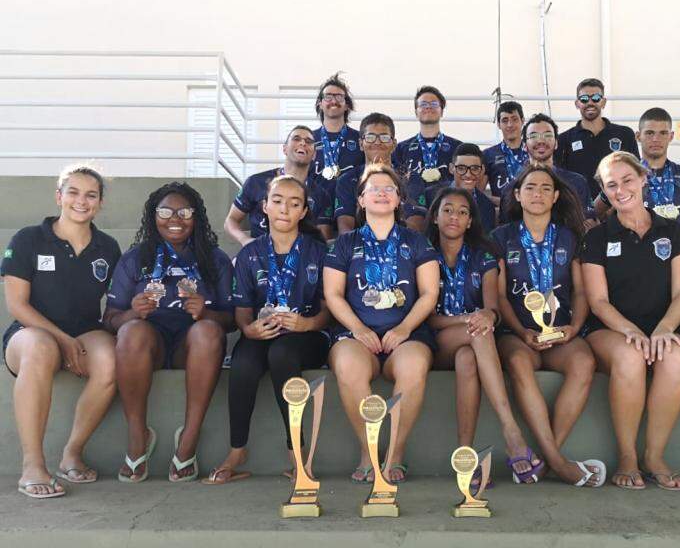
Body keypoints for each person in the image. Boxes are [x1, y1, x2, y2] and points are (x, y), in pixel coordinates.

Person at [2, 164, 121, 499]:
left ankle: (71, 453)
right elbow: (17, 305)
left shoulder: (108, 247)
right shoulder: (28, 239)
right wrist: (63, 340)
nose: (81, 201)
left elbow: (114, 303)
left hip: (85, 330)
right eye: (73, 192)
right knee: (41, 349)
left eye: (90, 195)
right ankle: (32, 466)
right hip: (29, 332)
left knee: (111, 359)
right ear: (59, 196)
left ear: (100, 203)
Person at [105, 182, 234, 483]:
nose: (174, 219)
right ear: (153, 216)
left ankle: (189, 438)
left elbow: (231, 321)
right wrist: (132, 313)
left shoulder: (215, 260)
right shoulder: (135, 258)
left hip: (192, 350)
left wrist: (206, 313)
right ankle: (138, 436)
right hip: (148, 347)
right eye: (165, 211)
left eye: (184, 212)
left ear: (197, 217)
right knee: (131, 331)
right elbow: (110, 319)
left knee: (208, 331)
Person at [204, 176, 331, 484]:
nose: (284, 209)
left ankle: (296, 451)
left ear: (303, 211)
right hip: (263, 333)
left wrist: (307, 323)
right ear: (264, 207)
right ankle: (237, 450)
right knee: (244, 362)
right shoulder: (249, 254)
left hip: (308, 335)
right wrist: (249, 329)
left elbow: (330, 309)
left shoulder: (319, 252)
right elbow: (242, 313)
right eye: (277, 201)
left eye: (294, 203)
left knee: (282, 354)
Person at [580, 151, 680, 491]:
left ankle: (654, 456)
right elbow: (598, 301)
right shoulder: (597, 238)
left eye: (627, 180)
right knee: (630, 356)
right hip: (610, 330)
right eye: (611, 185)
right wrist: (630, 330)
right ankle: (627, 457)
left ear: (643, 179)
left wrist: (664, 329)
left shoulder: (674, 232)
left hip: (662, 326)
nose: (621, 189)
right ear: (604, 190)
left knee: (675, 357)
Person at [324, 167, 440, 484]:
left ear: (399, 199)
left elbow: (430, 293)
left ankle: (395, 455)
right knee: (348, 366)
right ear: (361, 200)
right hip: (354, 335)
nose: (381, 192)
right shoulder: (344, 244)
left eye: (389, 188)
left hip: (407, 335)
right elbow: (333, 295)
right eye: (373, 188)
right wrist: (359, 330)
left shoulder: (417, 241)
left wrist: (403, 329)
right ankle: (368, 451)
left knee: (414, 366)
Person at [493, 165, 606, 488]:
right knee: (516, 361)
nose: (537, 194)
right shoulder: (502, 237)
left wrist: (574, 327)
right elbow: (499, 296)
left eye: (545, 188)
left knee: (584, 361)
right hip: (517, 334)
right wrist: (521, 331)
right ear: (517, 195)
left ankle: (545, 458)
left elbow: (582, 290)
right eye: (530, 188)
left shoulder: (570, 237)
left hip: (562, 332)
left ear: (556, 196)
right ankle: (558, 461)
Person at [424, 186, 540, 489]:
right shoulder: (422, 254)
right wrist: (469, 319)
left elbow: (491, 309)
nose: (454, 217)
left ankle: (464, 456)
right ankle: (511, 430)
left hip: (472, 343)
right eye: (447, 210)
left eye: (463, 212)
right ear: (435, 217)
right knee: (476, 331)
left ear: (471, 221)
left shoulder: (484, 256)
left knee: (468, 356)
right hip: (433, 341)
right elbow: (427, 318)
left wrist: (488, 315)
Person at [595, 107, 680, 224]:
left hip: (677, 241)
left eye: (663, 133)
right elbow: (594, 213)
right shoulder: (623, 176)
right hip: (636, 241)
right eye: (650, 133)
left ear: (671, 136)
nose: (656, 139)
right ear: (638, 136)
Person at [224, 126, 334, 242]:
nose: (302, 143)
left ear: (314, 155)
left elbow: (324, 240)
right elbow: (230, 220)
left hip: (300, 256)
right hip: (260, 254)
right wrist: (245, 241)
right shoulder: (255, 182)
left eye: (309, 141)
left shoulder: (321, 195)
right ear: (284, 149)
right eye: (296, 139)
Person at [498, 113, 594, 224]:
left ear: (556, 143)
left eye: (547, 135)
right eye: (534, 136)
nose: (541, 141)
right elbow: (506, 232)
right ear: (524, 145)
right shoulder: (512, 188)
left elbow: (588, 224)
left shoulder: (577, 182)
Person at [555, 78, 639, 200]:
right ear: (577, 104)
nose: (590, 102)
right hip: (579, 212)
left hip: (618, 207)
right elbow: (561, 181)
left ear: (603, 102)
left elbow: (634, 173)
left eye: (595, 98)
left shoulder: (625, 134)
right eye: (584, 99)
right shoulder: (563, 139)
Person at [392, 85, 462, 231]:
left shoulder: (457, 147)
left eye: (434, 104)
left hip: (447, 210)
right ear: (416, 112)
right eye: (423, 104)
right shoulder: (401, 149)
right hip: (412, 212)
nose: (428, 107)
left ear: (442, 111)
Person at [334, 112, 398, 234]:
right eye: (370, 137)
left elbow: (415, 225)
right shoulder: (346, 180)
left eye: (384, 137)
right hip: (359, 248)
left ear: (394, 144)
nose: (377, 142)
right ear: (361, 144)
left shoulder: (409, 178)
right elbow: (345, 226)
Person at [309, 72, 365, 200]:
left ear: (347, 105)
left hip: (351, 207)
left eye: (339, 97)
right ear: (320, 104)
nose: (333, 101)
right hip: (316, 210)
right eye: (328, 96)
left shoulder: (360, 140)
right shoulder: (308, 140)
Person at [425, 143, 497, 232]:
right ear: (451, 168)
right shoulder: (430, 195)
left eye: (474, 168)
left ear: (482, 170)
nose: (468, 174)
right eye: (461, 168)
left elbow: (486, 241)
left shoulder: (487, 206)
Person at [483, 101, 529, 202]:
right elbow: (478, 192)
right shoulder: (488, 154)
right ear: (499, 124)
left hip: (531, 212)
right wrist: (502, 203)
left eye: (514, 119)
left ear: (522, 121)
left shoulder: (533, 152)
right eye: (505, 120)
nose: (510, 125)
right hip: (502, 213)